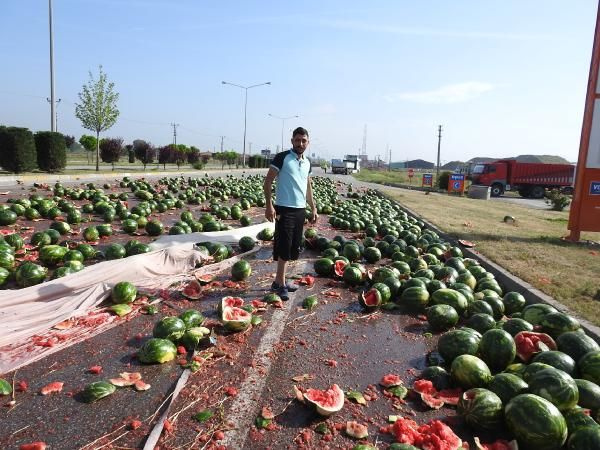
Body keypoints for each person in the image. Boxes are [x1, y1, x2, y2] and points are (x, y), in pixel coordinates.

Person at [263, 127, 317, 300]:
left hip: (300, 209)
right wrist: (269, 205)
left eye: (304, 140)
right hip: (284, 208)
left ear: (308, 142)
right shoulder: (282, 158)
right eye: (297, 140)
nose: (300, 143)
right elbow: (268, 181)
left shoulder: (307, 162)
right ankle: (279, 283)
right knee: (284, 245)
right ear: (292, 140)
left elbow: (307, 186)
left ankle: (282, 281)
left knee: (294, 246)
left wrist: (313, 207)